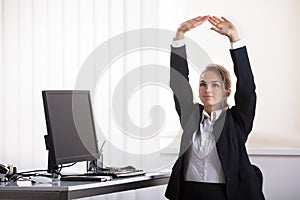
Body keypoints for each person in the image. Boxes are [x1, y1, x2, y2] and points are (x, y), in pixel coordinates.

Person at [165, 15, 265, 200]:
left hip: (224, 195)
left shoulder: (237, 121)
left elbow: (247, 87)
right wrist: (180, 35)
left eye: (215, 85)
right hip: (189, 194)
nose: (207, 90)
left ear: (227, 92)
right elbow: (178, 84)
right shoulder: (191, 116)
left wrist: (234, 39)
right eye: (203, 84)